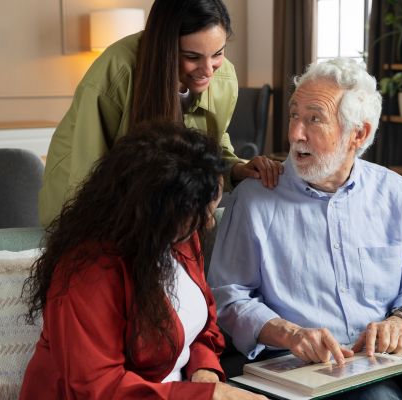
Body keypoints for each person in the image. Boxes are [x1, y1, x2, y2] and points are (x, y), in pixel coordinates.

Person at [208, 58, 402, 399]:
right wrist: (290, 333)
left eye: (314, 119)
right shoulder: (254, 199)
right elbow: (228, 295)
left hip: (394, 355)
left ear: (359, 134)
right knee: (375, 397)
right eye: (294, 115)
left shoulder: (396, 194)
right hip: (306, 364)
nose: (295, 133)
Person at [20, 121, 266, 400]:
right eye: (201, 213)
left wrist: (204, 371)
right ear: (157, 211)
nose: (208, 223)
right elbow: (98, 388)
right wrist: (209, 396)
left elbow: (203, 327)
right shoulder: (88, 270)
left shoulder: (181, 238)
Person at [39, 0, 282, 226]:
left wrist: (237, 169)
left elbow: (213, 146)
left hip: (160, 209)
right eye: (192, 57)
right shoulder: (116, 71)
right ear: (165, 48)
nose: (208, 70)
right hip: (87, 204)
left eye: (218, 53)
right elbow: (86, 173)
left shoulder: (224, 78)